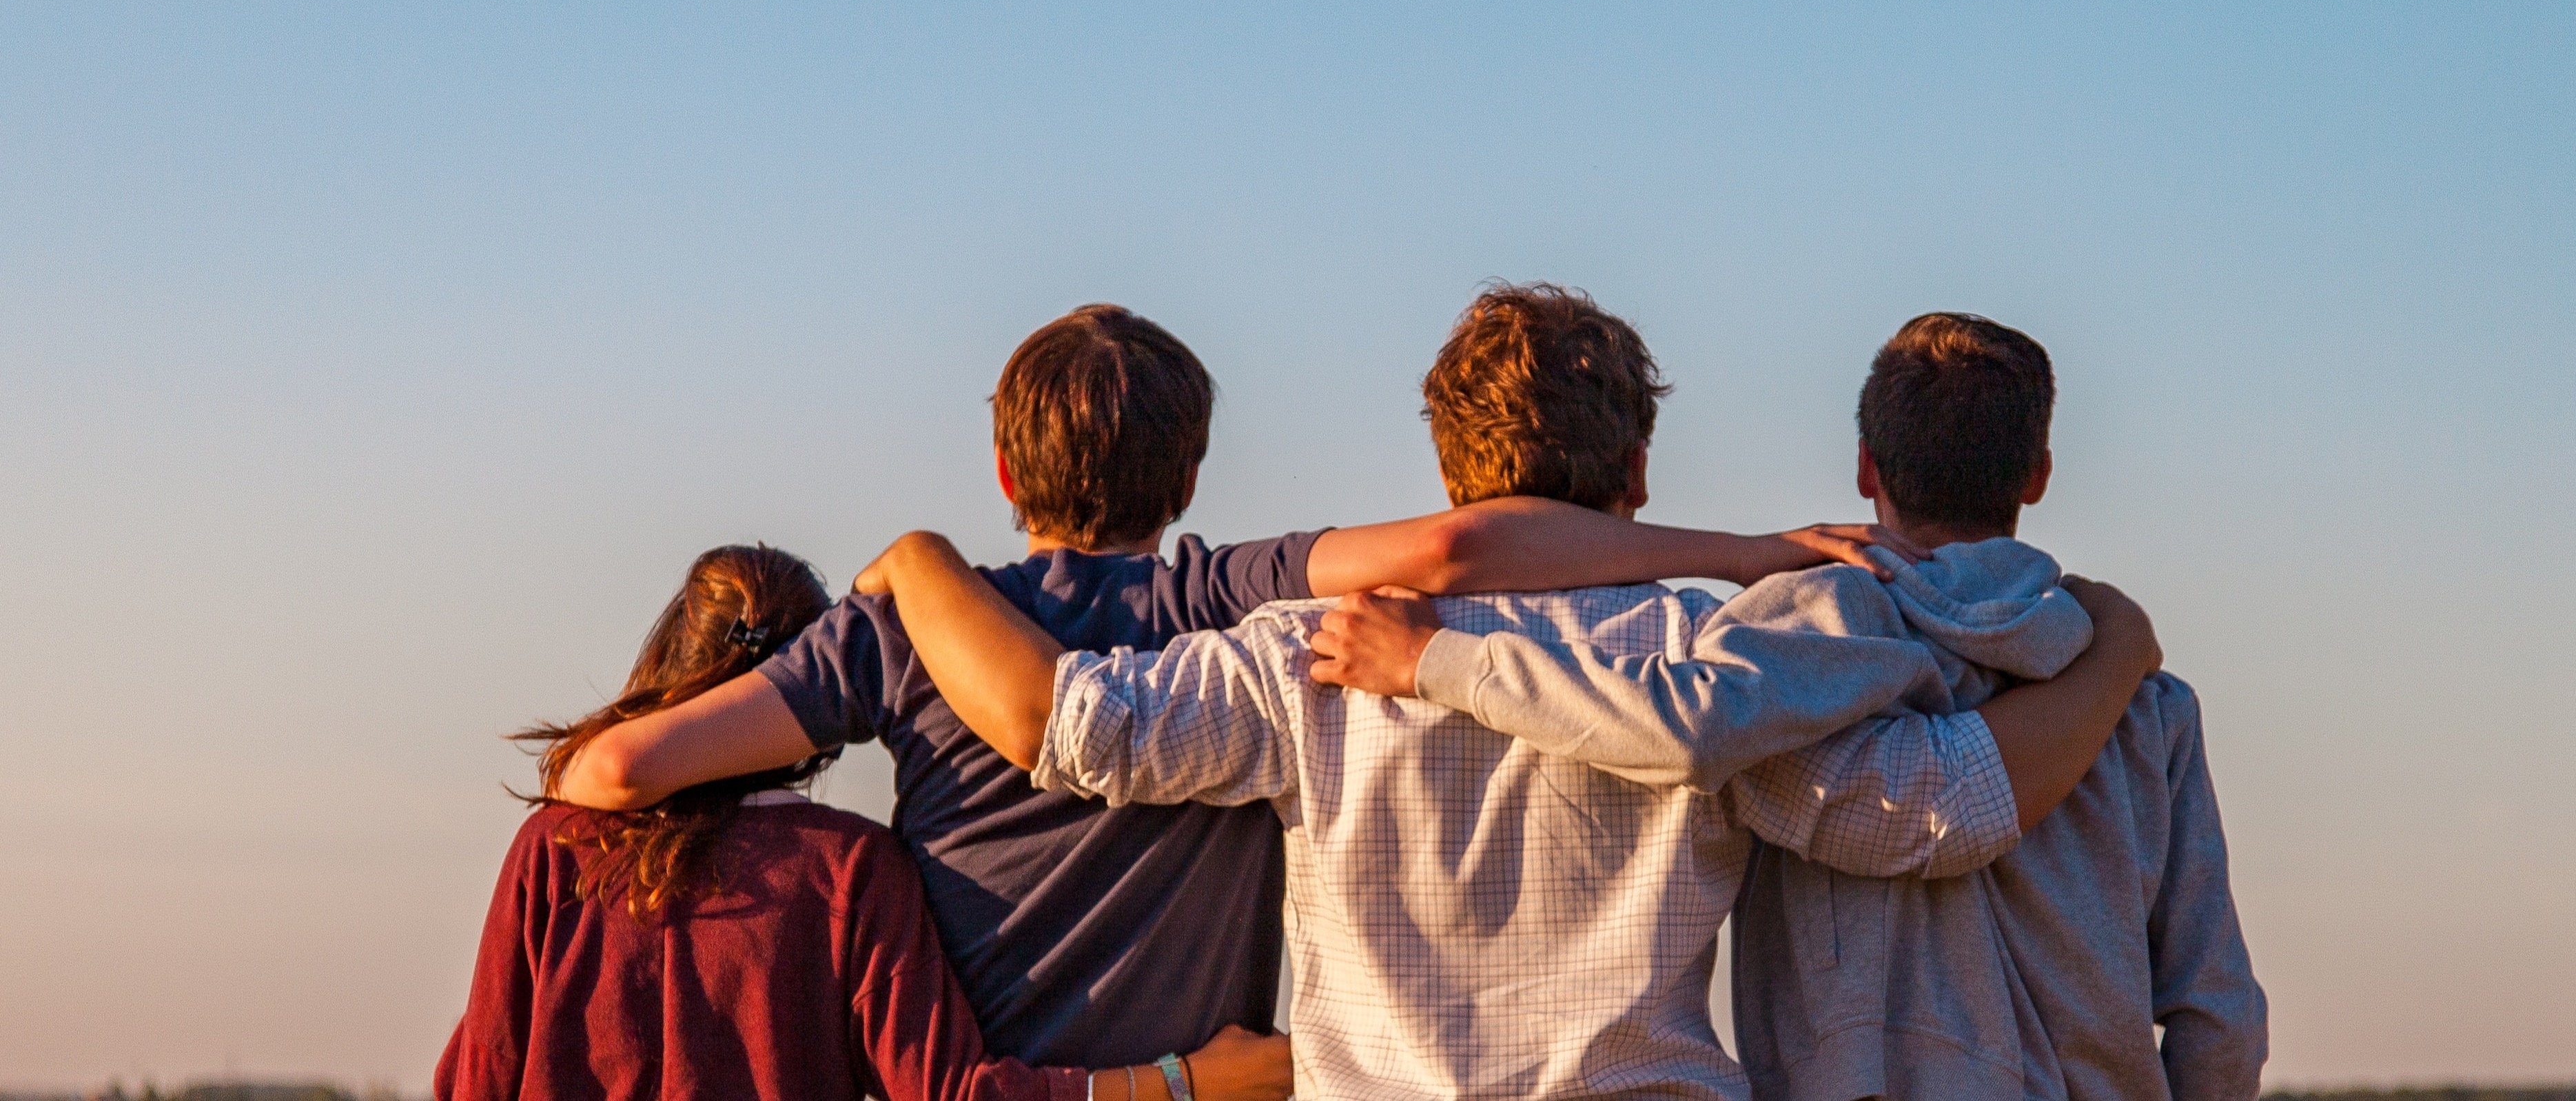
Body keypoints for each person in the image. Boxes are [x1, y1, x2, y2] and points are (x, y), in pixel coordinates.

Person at [869, 285, 2167, 1098]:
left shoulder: (1308, 651)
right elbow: (1919, 811)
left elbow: (1081, 728)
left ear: (1446, 466)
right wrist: (2111, 651)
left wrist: (918, 567)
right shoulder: (1703, 658)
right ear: (1641, 468)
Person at [549, 303, 1926, 1069]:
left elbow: (611, 778)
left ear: (1006, 476)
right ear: (1193, 473)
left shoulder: (923, 632)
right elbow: (1460, 549)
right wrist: (1746, 550)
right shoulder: (1231, 597)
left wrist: (852, 853)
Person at [1319, 313, 2269, 1100]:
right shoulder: (2147, 706)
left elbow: (1692, 728)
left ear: (1867, 467)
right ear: (2037, 475)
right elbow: (2216, 1008)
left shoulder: (1791, 652)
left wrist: (1435, 661)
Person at [436, 543, 1295, 1101]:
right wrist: (1186, 1082)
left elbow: (478, 1078)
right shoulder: (846, 869)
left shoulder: (556, 847)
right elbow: (955, 1092)